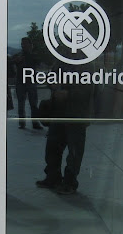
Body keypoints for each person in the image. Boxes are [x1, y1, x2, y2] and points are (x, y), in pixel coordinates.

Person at [35, 64, 93, 195]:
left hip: (76, 114)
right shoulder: (60, 61)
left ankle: (69, 182)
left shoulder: (87, 64)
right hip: (59, 112)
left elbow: (89, 89)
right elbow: (51, 78)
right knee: (52, 147)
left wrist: (68, 94)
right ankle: (53, 177)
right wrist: (53, 84)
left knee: (74, 151)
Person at [12, 37, 43, 129]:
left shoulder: (33, 56)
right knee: (21, 104)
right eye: (22, 44)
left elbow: (40, 63)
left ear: (30, 45)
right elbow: (10, 63)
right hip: (21, 82)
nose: (23, 45)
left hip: (31, 82)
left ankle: (35, 123)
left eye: (25, 44)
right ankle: (22, 123)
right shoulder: (18, 56)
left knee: (33, 104)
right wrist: (16, 61)